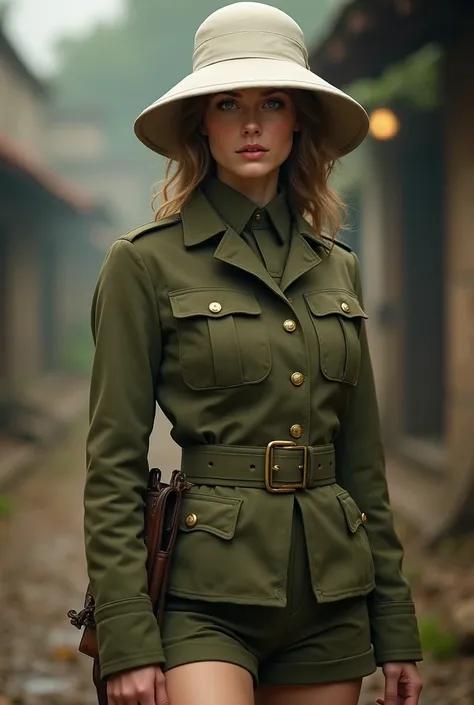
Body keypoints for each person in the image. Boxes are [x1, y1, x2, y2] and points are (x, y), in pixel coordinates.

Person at [83, 3, 423, 705]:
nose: (249, 123)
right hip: (206, 593)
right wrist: (126, 634)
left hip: (330, 595)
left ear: (298, 118)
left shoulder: (339, 268)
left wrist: (396, 626)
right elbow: (112, 463)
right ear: (199, 123)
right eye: (227, 103)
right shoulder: (144, 264)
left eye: (271, 102)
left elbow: (364, 461)